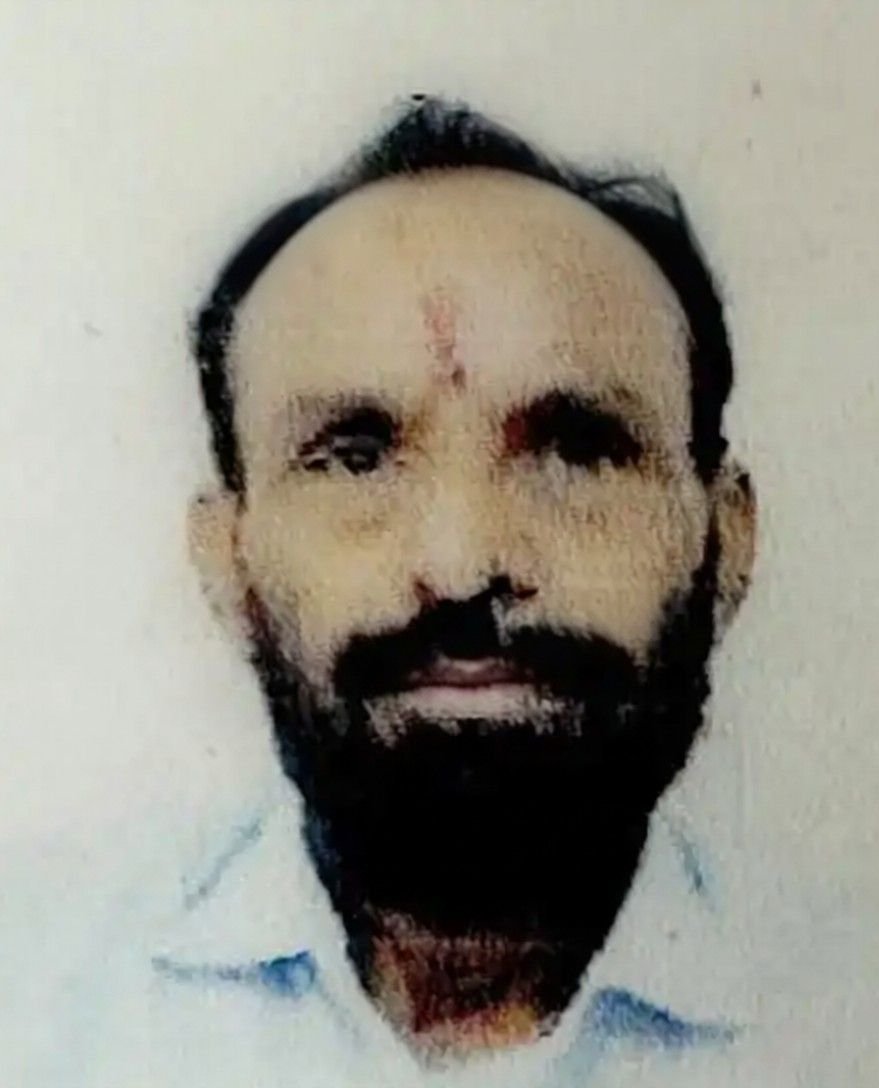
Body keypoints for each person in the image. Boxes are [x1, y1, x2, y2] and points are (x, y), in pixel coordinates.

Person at [35, 97, 757, 1087]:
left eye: (577, 449)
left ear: (727, 539)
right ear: (227, 560)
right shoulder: (36, 999)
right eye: (358, 455)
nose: (463, 564)